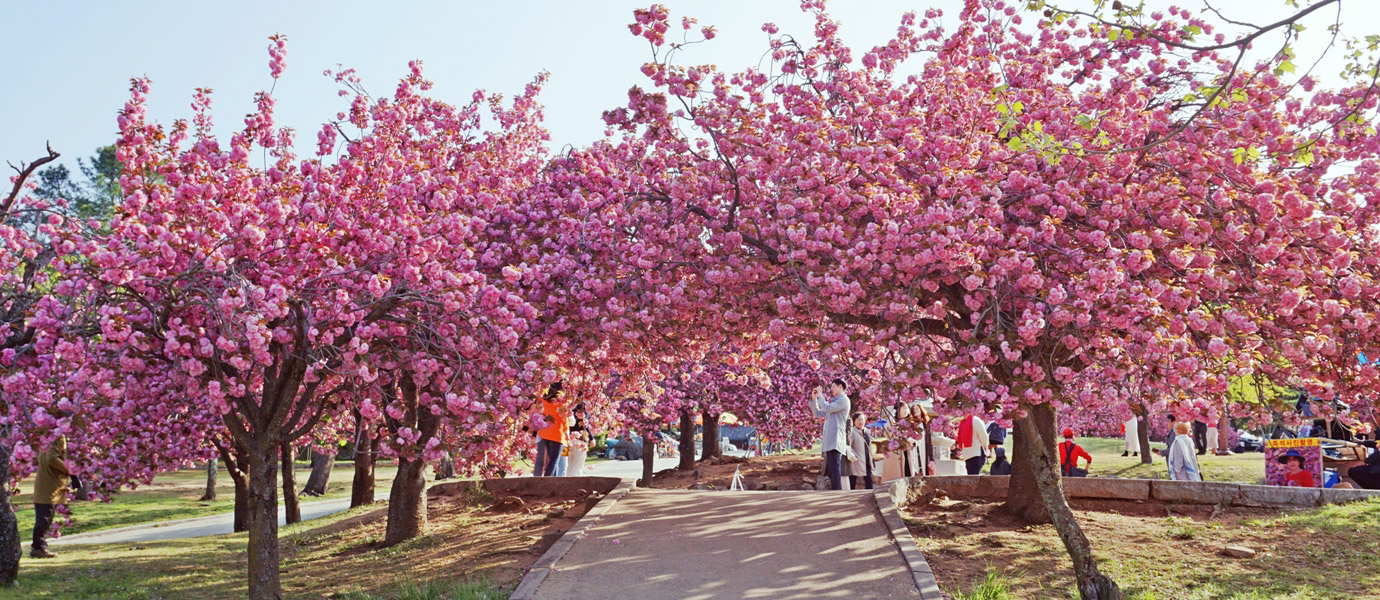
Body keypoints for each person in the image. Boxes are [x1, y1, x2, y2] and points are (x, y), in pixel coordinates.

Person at [31, 436, 71, 558]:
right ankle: (38, 548)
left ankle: (39, 546)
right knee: (44, 518)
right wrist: (69, 469)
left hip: (45, 484)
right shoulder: (57, 436)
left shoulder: (46, 437)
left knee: (44, 518)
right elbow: (52, 459)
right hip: (50, 486)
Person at [809, 379, 850, 490]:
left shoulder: (843, 400)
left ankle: (837, 490)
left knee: (835, 466)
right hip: (830, 439)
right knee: (832, 467)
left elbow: (827, 408)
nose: (831, 389)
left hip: (836, 438)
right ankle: (836, 489)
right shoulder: (834, 402)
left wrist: (821, 396)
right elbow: (817, 413)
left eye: (833, 386)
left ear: (840, 387)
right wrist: (814, 400)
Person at [533, 382, 569, 477]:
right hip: (557, 433)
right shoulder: (560, 404)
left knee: (552, 459)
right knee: (554, 460)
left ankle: (553, 480)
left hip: (545, 432)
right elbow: (564, 419)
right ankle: (546, 480)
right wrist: (566, 432)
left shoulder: (544, 401)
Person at [845, 412, 876, 490]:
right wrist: (854, 454)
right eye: (858, 420)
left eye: (862, 420)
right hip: (856, 459)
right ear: (854, 421)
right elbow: (848, 445)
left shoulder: (867, 431)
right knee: (853, 477)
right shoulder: (852, 432)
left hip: (867, 459)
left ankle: (870, 493)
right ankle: (850, 494)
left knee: (868, 478)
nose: (861, 422)